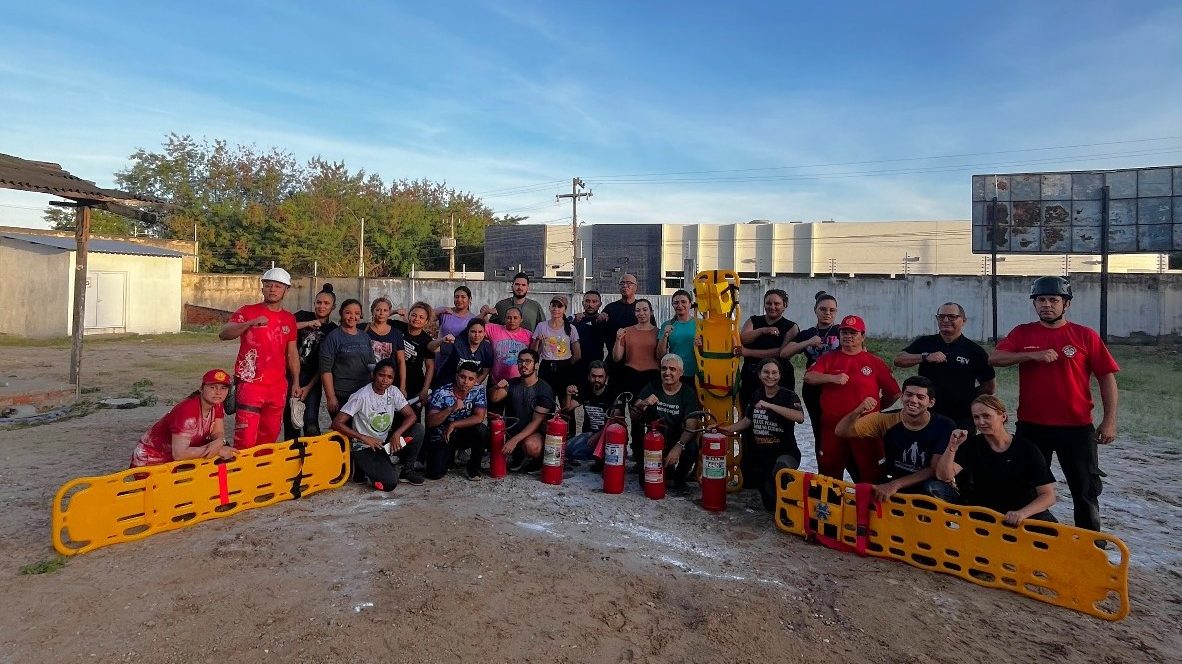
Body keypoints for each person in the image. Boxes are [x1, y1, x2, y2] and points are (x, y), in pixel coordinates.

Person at [989, 276, 1119, 532]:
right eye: (1041, 300)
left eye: (1053, 300)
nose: (1046, 305)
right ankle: (1034, 534)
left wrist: (1109, 420)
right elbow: (995, 358)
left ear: (1066, 304)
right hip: (1032, 426)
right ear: (1034, 303)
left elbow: (1107, 378)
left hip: (1077, 427)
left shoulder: (1085, 335)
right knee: (1027, 485)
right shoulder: (1023, 332)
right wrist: (1031, 355)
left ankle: (1090, 542)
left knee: (1084, 488)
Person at [803, 314, 900, 482]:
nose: (847, 336)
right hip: (832, 427)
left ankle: (870, 506)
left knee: (872, 472)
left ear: (862, 336)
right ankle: (831, 506)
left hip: (864, 426)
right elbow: (809, 377)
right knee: (829, 473)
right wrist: (832, 378)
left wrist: (877, 409)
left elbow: (894, 392)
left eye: (853, 333)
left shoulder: (874, 362)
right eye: (844, 332)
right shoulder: (829, 358)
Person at [936, 395, 1058, 525]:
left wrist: (1022, 513)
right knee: (935, 488)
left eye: (986, 416)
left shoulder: (1026, 449)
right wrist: (952, 447)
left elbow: (1048, 496)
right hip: (983, 510)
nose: (981, 422)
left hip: (1020, 511)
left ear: (1003, 417)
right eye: (976, 417)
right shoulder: (972, 445)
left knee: (1051, 526)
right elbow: (944, 476)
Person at [834, 376, 956, 502]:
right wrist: (857, 411)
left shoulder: (945, 425)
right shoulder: (886, 419)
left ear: (931, 402)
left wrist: (895, 485)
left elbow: (934, 469)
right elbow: (841, 431)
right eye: (909, 394)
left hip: (926, 484)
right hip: (892, 478)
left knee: (934, 488)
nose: (913, 400)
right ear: (902, 396)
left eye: (920, 397)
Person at [219, 267, 300, 449]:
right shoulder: (247, 311)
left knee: (269, 436)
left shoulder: (288, 319)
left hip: (278, 386)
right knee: (245, 437)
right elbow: (224, 333)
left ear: (286, 290)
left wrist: (295, 382)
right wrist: (250, 323)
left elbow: (292, 353)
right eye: (268, 285)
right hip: (250, 383)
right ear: (262, 288)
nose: (273, 289)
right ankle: (240, 475)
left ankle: (261, 474)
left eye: (278, 286)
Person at [717, 358, 805, 511]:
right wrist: (726, 430)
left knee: (780, 471)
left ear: (780, 375)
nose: (770, 376)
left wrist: (770, 405)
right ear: (759, 375)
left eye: (774, 373)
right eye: (766, 372)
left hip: (786, 453)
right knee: (769, 502)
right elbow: (747, 421)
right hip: (763, 456)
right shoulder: (757, 394)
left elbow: (800, 417)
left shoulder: (788, 396)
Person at [894, 302, 995, 431]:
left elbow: (989, 387)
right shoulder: (925, 343)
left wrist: (965, 397)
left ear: (963, 321)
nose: (945, 320)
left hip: (961, 419)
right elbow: (899, 359)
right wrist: (925, 356)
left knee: (960, 451)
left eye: (952, 316)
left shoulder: (975, 351)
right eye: (941, 317)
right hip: (926, 416)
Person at [331, 360, 426, 490]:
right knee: (390, 484)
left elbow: (412, 416)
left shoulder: (393, 391)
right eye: (381, 375)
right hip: (365, 447)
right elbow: (337, 423)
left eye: (389, 377)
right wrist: (363, 437)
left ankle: (407, 470)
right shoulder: (361, 396)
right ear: (373, 375)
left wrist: (397, 434)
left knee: (418, 430)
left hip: (384, 444)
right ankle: (362, 467)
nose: (384, 380)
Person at [130, 369, 237, 467]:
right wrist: (218, 450)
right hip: (151, 459)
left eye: (223, 388)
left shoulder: (216, 403)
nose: (218, 392)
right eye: (212, 387)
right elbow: (179, 454)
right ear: (201, 388)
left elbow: (218, 432)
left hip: (173, 457)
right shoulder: (188, 412)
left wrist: (219, 442)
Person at [781, 291, 841, 454]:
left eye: (832, 310)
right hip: (813, 388)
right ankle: (822, 465)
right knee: (819, 429)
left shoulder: (841, 331)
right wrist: (808, 342)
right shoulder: (808, 333)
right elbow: (784, 353)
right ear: (815, 310)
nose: (827, 313)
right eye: (823, 309)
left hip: (835, 387)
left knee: (837, 429)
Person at [632, 354, 702, 491]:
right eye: (664, 369)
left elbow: (692, 426)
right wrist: (644, 403)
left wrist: (679, 446)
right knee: (645, 484)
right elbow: (634, 415)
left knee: (692, 447)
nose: (667, 373)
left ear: (681, 372)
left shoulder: (687, 393)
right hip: (657, 438)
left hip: (678, 437)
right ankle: (662, 470)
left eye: (672, 369)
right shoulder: (653, 386)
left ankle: (680, 479)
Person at [491, 348, 558, 472]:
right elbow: (494, 399)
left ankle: (537, 462)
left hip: (535, 435)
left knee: (532, 446)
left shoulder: (544, 389)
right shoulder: (512, 384)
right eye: (520, 361)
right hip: (514, 433)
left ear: (536, 365)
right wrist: (497, 387)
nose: (523, 365)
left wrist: (514, 440)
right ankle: (519, 457)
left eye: (528, 361)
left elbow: (537, 421)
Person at [285, 283, 337, 438]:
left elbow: (325, 365)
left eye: (326, 303)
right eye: (319, 302)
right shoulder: (302, 316)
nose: (322, 306)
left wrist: (308, 387)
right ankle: (292, 458)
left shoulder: (333, 331)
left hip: (313, 379)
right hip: (290, 375)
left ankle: (312, 459)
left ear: (333, 307)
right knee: (290, 421)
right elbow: (285, 328)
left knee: (311, 422)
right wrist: (308, 324)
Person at [425, 361, 489, 481]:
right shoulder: (442, 392)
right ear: (456, 376)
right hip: (444, 434)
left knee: (482, 430)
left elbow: (479, 417)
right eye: (462, 377)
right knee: (435, 474)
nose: (466, 382)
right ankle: (448, 460)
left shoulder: (479, 390)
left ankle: (473, 469)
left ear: (475, 380)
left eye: (471, 379)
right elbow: (430, 422)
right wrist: (450, 408)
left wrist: (454, 424)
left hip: (463, 432)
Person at [614, 298, 660, 454]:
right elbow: (617, 357)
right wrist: (618, 339)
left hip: (651, 377)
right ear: (634, 313)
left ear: (651, 312)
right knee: (635, 415)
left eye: (645, 310)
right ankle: (638, 453)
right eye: (638, 310)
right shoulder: (627, 331)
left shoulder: (658, 332)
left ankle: (653, 450)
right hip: (631, 375)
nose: (641, 313)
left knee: (652, 415)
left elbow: (662, 356)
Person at [739, 289, 799, 409]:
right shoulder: (753, 321)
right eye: (768, 303)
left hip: (779, 379)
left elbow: (781, 352)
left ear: (784, 305)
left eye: (777, 304)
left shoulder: (791, 327)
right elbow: (744, 339)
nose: (772, 307)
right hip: (752, 376)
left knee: (778, 417)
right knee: (748, 413)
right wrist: (763, 330)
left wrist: (748, 352)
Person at [319, 299, 373, 418]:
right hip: (342, 394)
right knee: (342, 434)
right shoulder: (333, 337)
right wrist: (331, 397)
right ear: (341, 313)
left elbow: (371, 364)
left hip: (363, 394)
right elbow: (325, 369)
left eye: (357, 313)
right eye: (348, 313)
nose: (352, 316)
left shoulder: (365, 337)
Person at [562, 361, 620, 465]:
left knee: (608, 454)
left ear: (606, 378)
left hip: (608, 436)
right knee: (564, 449)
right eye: (593, 376)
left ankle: (598, 459)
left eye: (600, 376)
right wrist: (568, 394)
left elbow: (616, 421)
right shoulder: (586, 390)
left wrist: (598, 435)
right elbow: (567, 409)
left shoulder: (613, 394)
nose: (597, 379)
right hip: (589, 435)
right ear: (588, 376)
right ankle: (593, 457)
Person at [532, 295, 581, 397]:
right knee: (546, 400)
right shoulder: (541, 326)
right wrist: (537, 341)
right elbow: (534, 353)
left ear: (565, 309)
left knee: (566, 400)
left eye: (560, 306)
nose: (556, 309)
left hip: (564, 367)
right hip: (546, 367)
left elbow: (577, 354)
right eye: (553, 306)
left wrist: (565, 364)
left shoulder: (571, 328)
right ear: (549, 307)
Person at [391, 302, 436, 408]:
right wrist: (394, 311)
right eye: (414, 315)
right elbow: (379, 319)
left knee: (412, 415)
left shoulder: (427, 340)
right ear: (409, 315)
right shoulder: (398, 326)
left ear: (426, 321)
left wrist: (425, 389)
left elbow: (430, 366)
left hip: (414, 382)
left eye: (421, 317)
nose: (416, 319)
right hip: (393, 377)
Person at [430, 318, 494, 388]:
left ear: (484, 333)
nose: (477, 335)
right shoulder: (457, 343)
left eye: (480, 332)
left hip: (468, 387)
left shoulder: (487, 348)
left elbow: (485, 371)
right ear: (468, 332)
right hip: (446, 384)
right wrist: (442, 340)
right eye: (473, 331)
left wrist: (473, 386)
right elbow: (432, 348)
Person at [433, 285, 477, 376]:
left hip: (460, 362)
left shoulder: (472, 319)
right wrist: (441, 310)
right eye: (456, 297)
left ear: (470, 299)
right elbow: (426, 316)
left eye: (463, 297)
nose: (459, 300)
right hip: (440, 359)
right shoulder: (445, 313)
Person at [483, 306, 534, 384]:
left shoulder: (529, 335)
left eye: (515, 318)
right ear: (505, 319)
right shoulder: (494, 329)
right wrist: (484, 313)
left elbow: (535, 354)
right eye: (509, 318)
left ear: (521, 319)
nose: (512, 320)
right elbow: (471, 327)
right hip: (495, 382)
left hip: (519, 383)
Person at [656, 289, 697, 384]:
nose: (680, 305)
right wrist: (665, 337)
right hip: (675, 374)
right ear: (672, 305)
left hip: (697, 374)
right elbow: (660, 355)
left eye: (683, 302)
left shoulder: (700, 324)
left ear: (690, 304)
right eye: (676, 303)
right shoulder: (667, 325)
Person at [365, 296, 407, 381]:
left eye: (385, 310)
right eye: (378, 310)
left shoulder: (396, 333)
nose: (381, 313)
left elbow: (401, 361)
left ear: (389, 313)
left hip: (387, 381)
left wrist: (402, 386)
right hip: (365, 379)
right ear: (372, 311)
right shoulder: (363, 329)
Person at [600, 272, 639, 347]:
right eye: (622, 283)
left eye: (629, 283)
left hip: (636, 354)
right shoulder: (610, 308)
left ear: (636, 287)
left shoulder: (641, 309)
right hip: (614, 354)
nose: (625, 286)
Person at [572, 290, 607, 375]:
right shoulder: (574, 320)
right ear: (582, 303)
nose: (590, 304)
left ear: (600, 304)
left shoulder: (605, 322)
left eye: (594, 301)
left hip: (596, 370)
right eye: (587, 301)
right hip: (575, 368)